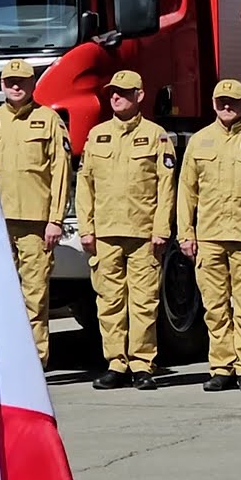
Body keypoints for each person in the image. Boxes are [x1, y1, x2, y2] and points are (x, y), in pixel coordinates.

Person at [176, 78, 241, 392]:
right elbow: (186, 191)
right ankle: (221, 368)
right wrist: (185, 233)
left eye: (233, 101)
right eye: (221, 101)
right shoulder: (199, 141)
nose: (227, 106)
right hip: (209, 238)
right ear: (213, 104)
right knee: (215, 308)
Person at [0, 58, 72, 371]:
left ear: (32, 84)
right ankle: (4, 359)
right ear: (2, 85)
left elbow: (60, 172)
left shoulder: (49, 120)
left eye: (22, 81)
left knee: (34, 295)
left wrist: (55, 219)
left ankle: (33, 362)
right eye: (10, 82)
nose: (16, 86)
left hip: (36, 223)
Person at [76, 69, 177, 391]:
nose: (116, 97)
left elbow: (166, 187)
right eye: (113, 92)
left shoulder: (157, 136)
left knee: (144, 302)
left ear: (140, 96)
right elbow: (85, 185)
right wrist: (86, 228)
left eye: (124, 92)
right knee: (109, 302)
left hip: (143, 233)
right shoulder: (97, 135)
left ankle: (142, 364)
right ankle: (116, 363)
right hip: (106, 233)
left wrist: (161, 229)